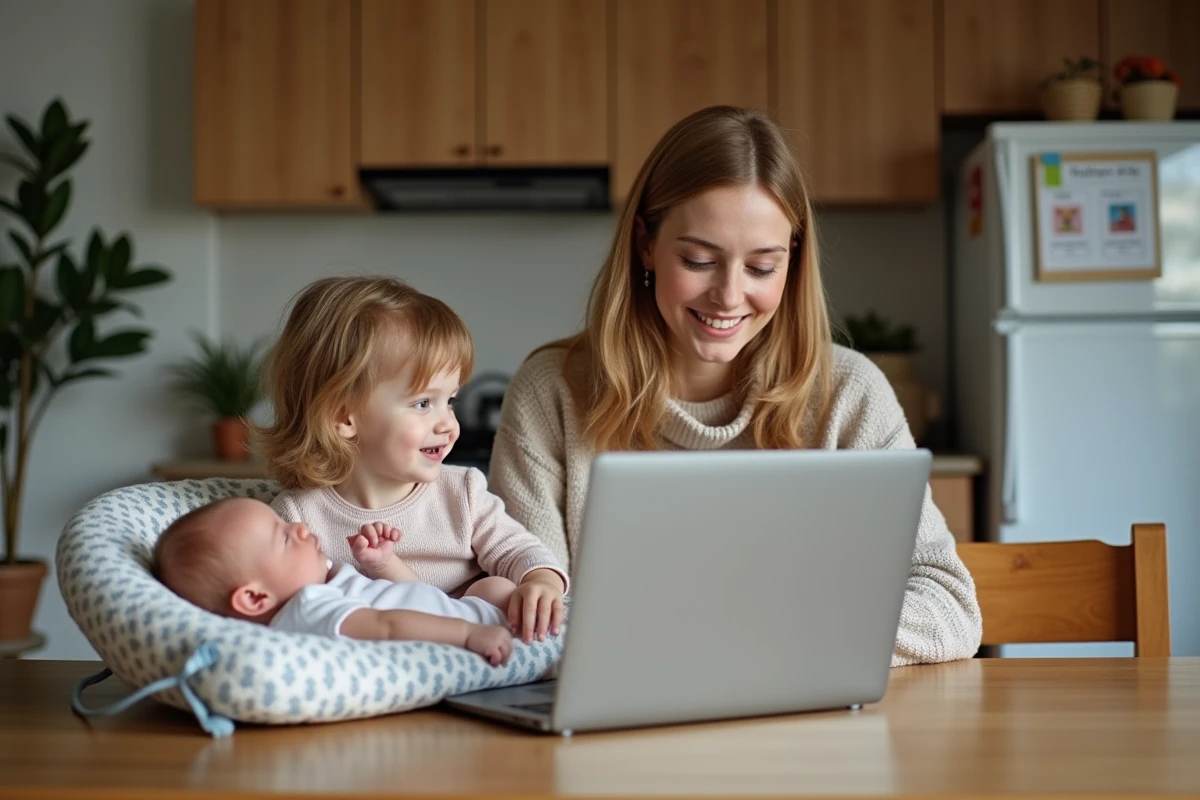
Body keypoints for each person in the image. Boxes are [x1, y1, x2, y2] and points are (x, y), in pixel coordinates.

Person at [488, 105, 982, 666]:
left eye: (762, 267)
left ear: (793, 262)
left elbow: (949, 608)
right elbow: (533, 617)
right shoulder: (550, 392)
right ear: (646, 244)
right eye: (699, 260)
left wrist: (764, 640)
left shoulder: (849, 394)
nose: (728, 295)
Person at [255, 275, 568, 644]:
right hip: (385, 650)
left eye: (449, 401)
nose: (448, 425)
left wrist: (541, 581)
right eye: (423, 403)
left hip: (480, 643)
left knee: (499, 590)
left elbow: (520, 550)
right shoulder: (298, 516)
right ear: (344, 418)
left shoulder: (462, 491)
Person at [153, 497, 515, 666]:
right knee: (506, 595)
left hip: (465, 609)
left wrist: (384, 563)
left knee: (494, 587)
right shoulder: (309, 609)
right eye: (282, 537)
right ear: (254, 598)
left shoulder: (318, 584)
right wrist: (468, 634)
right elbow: (387, 625)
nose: (297, 526)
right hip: (472, 632)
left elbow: (406, 596)